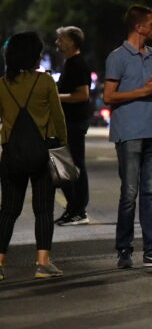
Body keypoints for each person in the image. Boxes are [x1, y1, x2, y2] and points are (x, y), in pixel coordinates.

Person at [104, 5, 152, 269]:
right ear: (139, 27)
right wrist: (143, 91)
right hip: (128, 133)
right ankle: (124, 249)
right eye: (151, 23)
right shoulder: (117, 57)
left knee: (150, 193)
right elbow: (109, 96)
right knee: (129, 193)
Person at [0, 32, 68, 280]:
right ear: (31, 55)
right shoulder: (46, 82)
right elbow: (59, 119)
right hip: (42, 153)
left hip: (12, 154)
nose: (41, 55)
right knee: (43, 209)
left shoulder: (2, 84)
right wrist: (63, 145)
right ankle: (42, 264)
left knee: (7, 210)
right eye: (39, 51)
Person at [54, 26, 93, 226]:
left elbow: (83, 95)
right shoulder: (70, 63)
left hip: (75, 122)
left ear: (71, 42)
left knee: (76, 165)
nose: (57, 43)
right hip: (68, 122)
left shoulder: (77, 64)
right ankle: (73, 207)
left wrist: (55, 97)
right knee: (64, 165)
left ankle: (79, 210)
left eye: (61, 39)